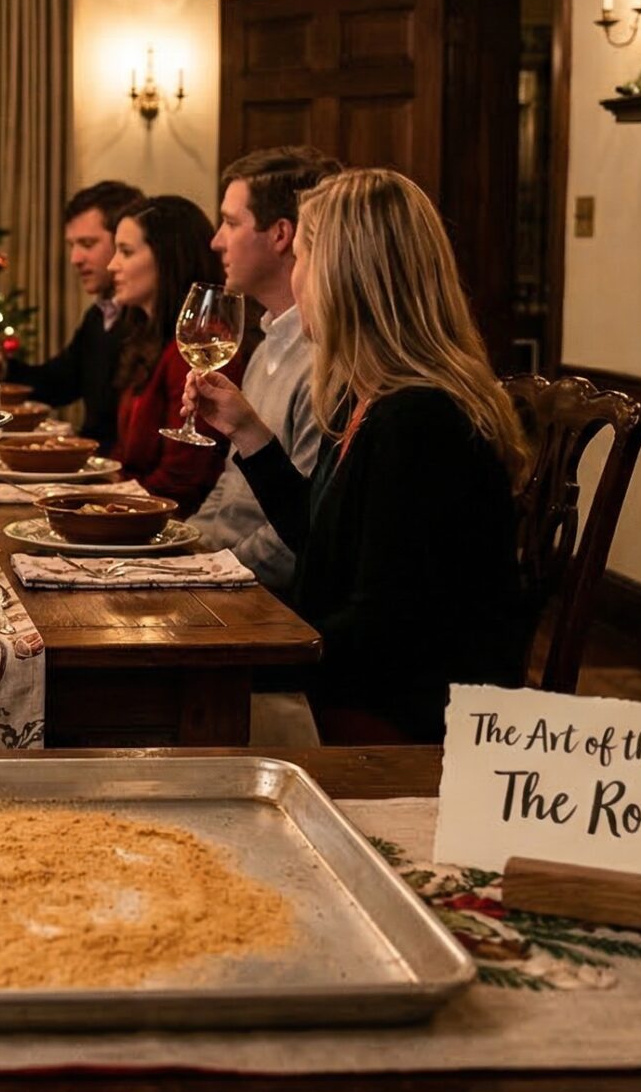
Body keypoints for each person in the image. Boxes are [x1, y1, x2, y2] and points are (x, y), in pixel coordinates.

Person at [185, 168, 529, 744]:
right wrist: (247, 432)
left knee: (181, 731)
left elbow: (383, 628)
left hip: (405, 719)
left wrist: (246, 654)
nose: (297, 281)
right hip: (360, 683)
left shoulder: (419, 420)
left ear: (347, 277)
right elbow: (324, 544)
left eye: (305, 261)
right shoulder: (365, 398)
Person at [185, 147, 341, 592]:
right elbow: (231, 489)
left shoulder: (325, 364)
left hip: (263, 602)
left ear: (281, 236)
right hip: (224, 573)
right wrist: (183, 548)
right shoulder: (268, 342)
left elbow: (302, 538)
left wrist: (205, 574)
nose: (216, 241)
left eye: (231, 223)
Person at [0, 180, 140, 444]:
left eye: (87, 243)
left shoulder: (147, 320)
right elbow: (58, 383)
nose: (75, 258)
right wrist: (2, 367)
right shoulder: (100, 315)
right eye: (72, 245)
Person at [104, 195, 226, 515]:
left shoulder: (199, 348)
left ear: (167, 258)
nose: (111, 265)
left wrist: (102, 507)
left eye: (126, 252)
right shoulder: (148, 337)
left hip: (167, 522)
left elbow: (182, 480)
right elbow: (125, 458)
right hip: (137, 507)